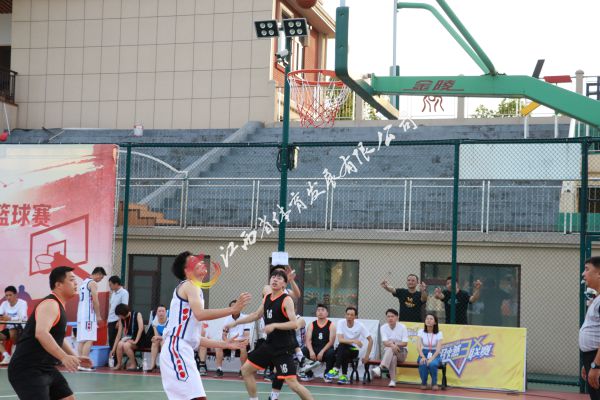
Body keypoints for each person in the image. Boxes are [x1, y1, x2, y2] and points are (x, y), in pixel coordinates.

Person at [160, 251, 251, 400]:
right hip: (176, 349)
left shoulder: (195, 291)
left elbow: (195, 338)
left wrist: (224, 344)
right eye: (194, 261)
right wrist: (233, 309)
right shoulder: (189, 285)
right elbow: (200, 314)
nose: (201, 262)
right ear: (187, 271)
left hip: (180, 349)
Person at [228, 268, 314, 400]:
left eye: (279, 278)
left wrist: (274, 325)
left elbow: (294, 324)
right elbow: (256, 315)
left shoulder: (286, 300)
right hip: (269, 346)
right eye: (273, 277)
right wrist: (236, 322)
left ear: (284, 284)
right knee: (246, 370)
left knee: (292, 384)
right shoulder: (267, 298)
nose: (275, 280)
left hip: (283, 348)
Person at [8, 266, 92, 400]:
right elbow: (41, 333)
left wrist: (74, 356)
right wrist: (64, 357)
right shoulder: (50, 304)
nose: (76, 283)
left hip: (46, 367)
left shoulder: (59, 305)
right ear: (58, 285)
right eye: (71, 280)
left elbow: (57, 338)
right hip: (27, 369)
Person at [324, 306, 373, 385]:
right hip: (342, 349)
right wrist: (353, 341)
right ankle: (344, 376)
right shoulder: (341, 322)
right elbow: (340, 339)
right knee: (343, 348)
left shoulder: (360, 325)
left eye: (351, 315)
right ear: (345, 315)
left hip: (354, 350)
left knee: (342, 346)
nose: (349, 316)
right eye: (348, 314)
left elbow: (370, 340)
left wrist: (367, 356)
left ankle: (336, 368)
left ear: (355, 317)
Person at [77, 266, 106, 371]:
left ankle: (80, 363)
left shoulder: (84, 282)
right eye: (101, 278)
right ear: (98, 274)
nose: (100, 280)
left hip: (80, 314)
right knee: (89, 339)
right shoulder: (92, 283)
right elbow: (95, 300)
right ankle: (84, 364)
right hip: (89, 315)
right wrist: (98, 315)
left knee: (82, 340)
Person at [298, 303, 336, 381]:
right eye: (318, 310)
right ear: (316, 313)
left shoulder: (331, 325)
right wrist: (311, 351)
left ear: (327, 313)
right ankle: (308, 374)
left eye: (322, 310)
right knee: (302, 351)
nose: (320, 312)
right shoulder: (312, 325)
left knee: (331, 353)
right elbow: (308, 340)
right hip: (314, 349)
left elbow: (331, 342)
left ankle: (327, 374)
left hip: (325, 350)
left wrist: (322, 352)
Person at [371, 309, 409, 387]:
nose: (390, 318)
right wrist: (393, 345)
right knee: (393, 357)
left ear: (397, 317)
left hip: (402, 353)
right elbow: (385, 343)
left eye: (392, 316)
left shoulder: (403, 327)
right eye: (388, 316)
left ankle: (380, 367)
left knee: (391, 348)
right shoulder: (383, 327)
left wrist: (393, 344)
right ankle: (392, 381)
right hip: (390, 353)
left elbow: (405, 343)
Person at [215, 299, 251, 377]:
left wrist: (236, 342)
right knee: (218, 346)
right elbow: (224, 336)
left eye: (236, 307)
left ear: (240, 307)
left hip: (241, 342)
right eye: (232, 307)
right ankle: (219, 369)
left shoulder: (245, 318)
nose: (234, 309)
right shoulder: (227, 319)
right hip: (230, 342)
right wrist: (227, 342)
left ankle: (243, 370)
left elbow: (246, 336)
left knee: (243, 347)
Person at [580, 256, 600, 399]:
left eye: (587, 269)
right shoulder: (597, 299)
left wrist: (596, 365)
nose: (583, 274)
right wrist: (587, 364)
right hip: (591, 358)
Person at [110, 303, 144, 370]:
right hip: (129, 338)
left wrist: (135, 341)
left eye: (119, 315)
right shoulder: (121, 319)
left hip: (139, 339)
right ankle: (119, 364)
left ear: (123, 313)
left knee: (126, 345)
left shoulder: (137, 314)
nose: (119, 317)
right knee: (119, 344)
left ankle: (133, 364)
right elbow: (118, 335)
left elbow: (141, 328)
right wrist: (113, 349)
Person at [0, 285, 28, 364]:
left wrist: (9, 318)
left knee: (12, 332)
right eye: (6, 295)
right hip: (9, 328)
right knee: (10, 331)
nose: (8, 297)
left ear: (16, 295)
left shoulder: (22, 303)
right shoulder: (4, 304)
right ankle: (6, 356)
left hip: (21, 328)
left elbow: (22, 317)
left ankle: (16, 353)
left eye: (10, 295)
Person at [417, 313, 444, 390]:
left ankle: (434, 383)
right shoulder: (421, 331)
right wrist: (422, 357)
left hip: (435, 354)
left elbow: (438, 350)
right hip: (424, 352)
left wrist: (431, 359)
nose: (428, 320)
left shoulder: (439, 333)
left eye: (431, 319)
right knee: (423, 363)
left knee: (432, 364)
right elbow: (418, 347)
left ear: (435, 322)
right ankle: (424, 383)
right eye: (427, 319)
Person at [107, 275, 129, 356]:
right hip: (110, 319)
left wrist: (119, 321)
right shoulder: (113, 293)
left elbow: (124, 308)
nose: (110, 286)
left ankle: (116, 359)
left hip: (117, 320)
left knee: (116, 340)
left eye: (111, 285)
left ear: (116, 284)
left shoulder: (124, 293)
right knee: (111, 340)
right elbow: (111, 306)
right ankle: (112, 358)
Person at [144, 304, 168, 372]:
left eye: (163, 311)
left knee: (163, 342)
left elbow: (168, 335)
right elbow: (156, 335)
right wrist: (154, 338)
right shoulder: (155, 321)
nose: (161, 313)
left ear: (166, 312)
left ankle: (163, 366)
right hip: (161, 338)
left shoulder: (169, 320)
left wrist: (159, 337)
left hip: (169, 339)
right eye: (159, 311)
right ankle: (152, 365)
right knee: (155, 342)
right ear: (157, 313)